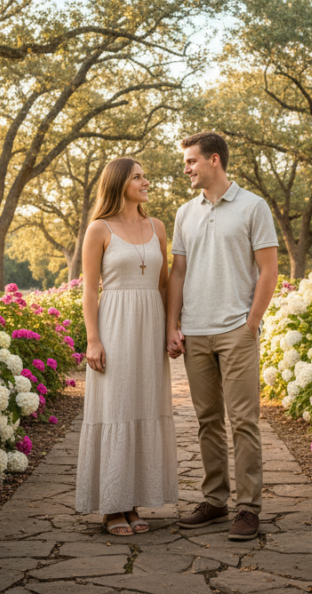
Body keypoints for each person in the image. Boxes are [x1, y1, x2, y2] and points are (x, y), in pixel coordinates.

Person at [166, 131, 279, 541]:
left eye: (192, 161)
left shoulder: (253, 206)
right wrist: (172, 324)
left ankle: (248, 508)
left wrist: (252, 322)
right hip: (195, 332)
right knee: (207, 420)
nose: (187, 168)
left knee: (244, 421)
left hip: (236, 330)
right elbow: (177, 272)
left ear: (214, 160)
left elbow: (269, 270)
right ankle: (215, 501)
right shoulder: (185, 213)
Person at [75, 157, 178, 536]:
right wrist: (93, 339)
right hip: (114, 323)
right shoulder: (98, 229)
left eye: (145, 175)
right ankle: (112, 507)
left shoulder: (158, 227)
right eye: (138, 176)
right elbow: (88, 289)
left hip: (150, 324)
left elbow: (165, 284)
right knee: (116, 407)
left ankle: (133, 502)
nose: (146, 181)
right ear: (119, 183)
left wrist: (171, 329)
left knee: (144, 406)